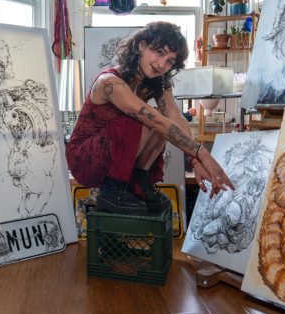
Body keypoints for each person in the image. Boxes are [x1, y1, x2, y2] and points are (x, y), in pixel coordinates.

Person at [66, 22, 234, 215]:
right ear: (141, 45)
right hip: (84, 158)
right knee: (146, 117)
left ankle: (138, 183)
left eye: (170, 61)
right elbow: (154, 121)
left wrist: (195, 161)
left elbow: (175, 118)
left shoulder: (157, 83)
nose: (162, 64)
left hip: (116, 159)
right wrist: (204, 155)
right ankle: (114, 191)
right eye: (159, 52)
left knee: (161, 117)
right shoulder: (110, 82)